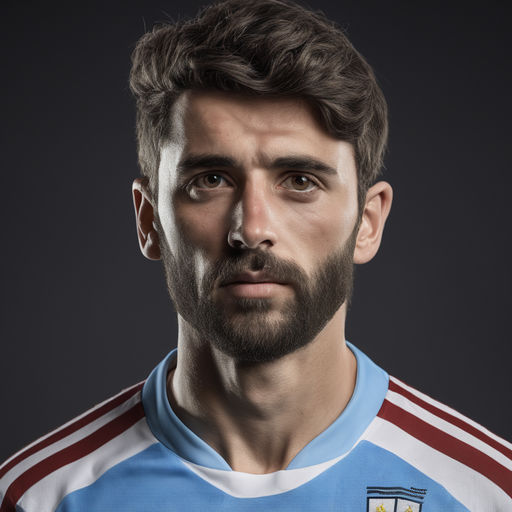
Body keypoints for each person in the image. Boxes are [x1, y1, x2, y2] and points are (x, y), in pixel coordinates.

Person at [1, 0, 510, 510]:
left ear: (368, 222)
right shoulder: (40, 499)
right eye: (211, 180)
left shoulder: (488, 496)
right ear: (149, 219)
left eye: (300, 181)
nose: (252, 228)